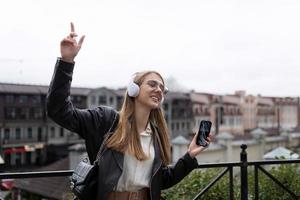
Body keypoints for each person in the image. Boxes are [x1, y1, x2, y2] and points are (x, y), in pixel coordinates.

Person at [46, 22, 212, 200]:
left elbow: (162, 180)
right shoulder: (106, 120)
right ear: (133, 89)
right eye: (152, 84)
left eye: (162, 88)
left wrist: (190, 155)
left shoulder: (155, 134)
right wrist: (66, 62)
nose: (158, 89)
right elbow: (59, 110)